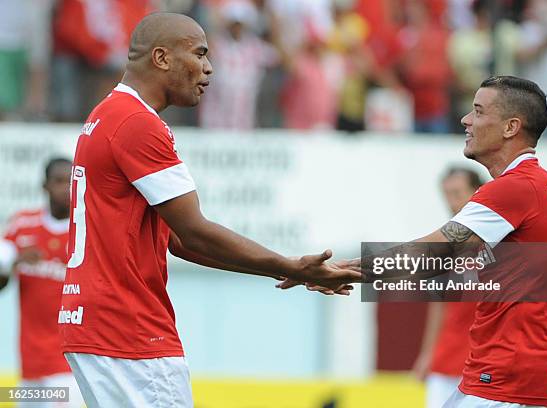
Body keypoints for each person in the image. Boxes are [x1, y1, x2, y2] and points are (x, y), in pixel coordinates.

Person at [59, 12, 361, 408]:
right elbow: (195, 232)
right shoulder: (137, 123)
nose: (209, 68)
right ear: (162, 58)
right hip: (129, 328)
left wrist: (290, 269)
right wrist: (292, 267)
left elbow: (181, 242)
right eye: (200, 54)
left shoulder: (105, 115)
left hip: (96, 324)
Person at [298, 76, 547, 407]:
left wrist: (343, 271)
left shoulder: (515, 189)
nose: (466, 120)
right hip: (512, 374)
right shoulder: (539, 186)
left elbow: (433, 254)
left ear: (511, 127)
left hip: (507, 377)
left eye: (478, 111)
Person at [0, 158, 85, 408]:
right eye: (59, 181)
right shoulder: (22, 226)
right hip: (30, 365)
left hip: (68, 362)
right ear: (45, 186)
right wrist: (13, 261)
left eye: (70, 182)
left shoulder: (84, 230)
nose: (66, 189)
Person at [412, 167, 482, 408]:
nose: (452, 202)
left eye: (457, 193)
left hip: (485, 358)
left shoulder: (501, 241)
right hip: (447, 357)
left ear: (477, 192)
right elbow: (438, 306)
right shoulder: (444, 246)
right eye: (447, 194)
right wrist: (427, 354)